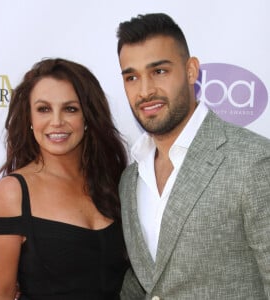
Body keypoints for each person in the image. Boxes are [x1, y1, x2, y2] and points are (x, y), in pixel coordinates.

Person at [116, 13, 270, 299]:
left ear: (191, 71)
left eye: (159, 71)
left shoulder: (254, 163)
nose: (146, 90)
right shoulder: (130, 179)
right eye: (132, 77)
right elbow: (146, 283)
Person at [0, 58, 129, 299]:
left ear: (88, 117)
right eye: (43, 109)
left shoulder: (115, 183)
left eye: (70, 108)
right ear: (29, 118)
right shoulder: (12, 194)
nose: (57, 121)